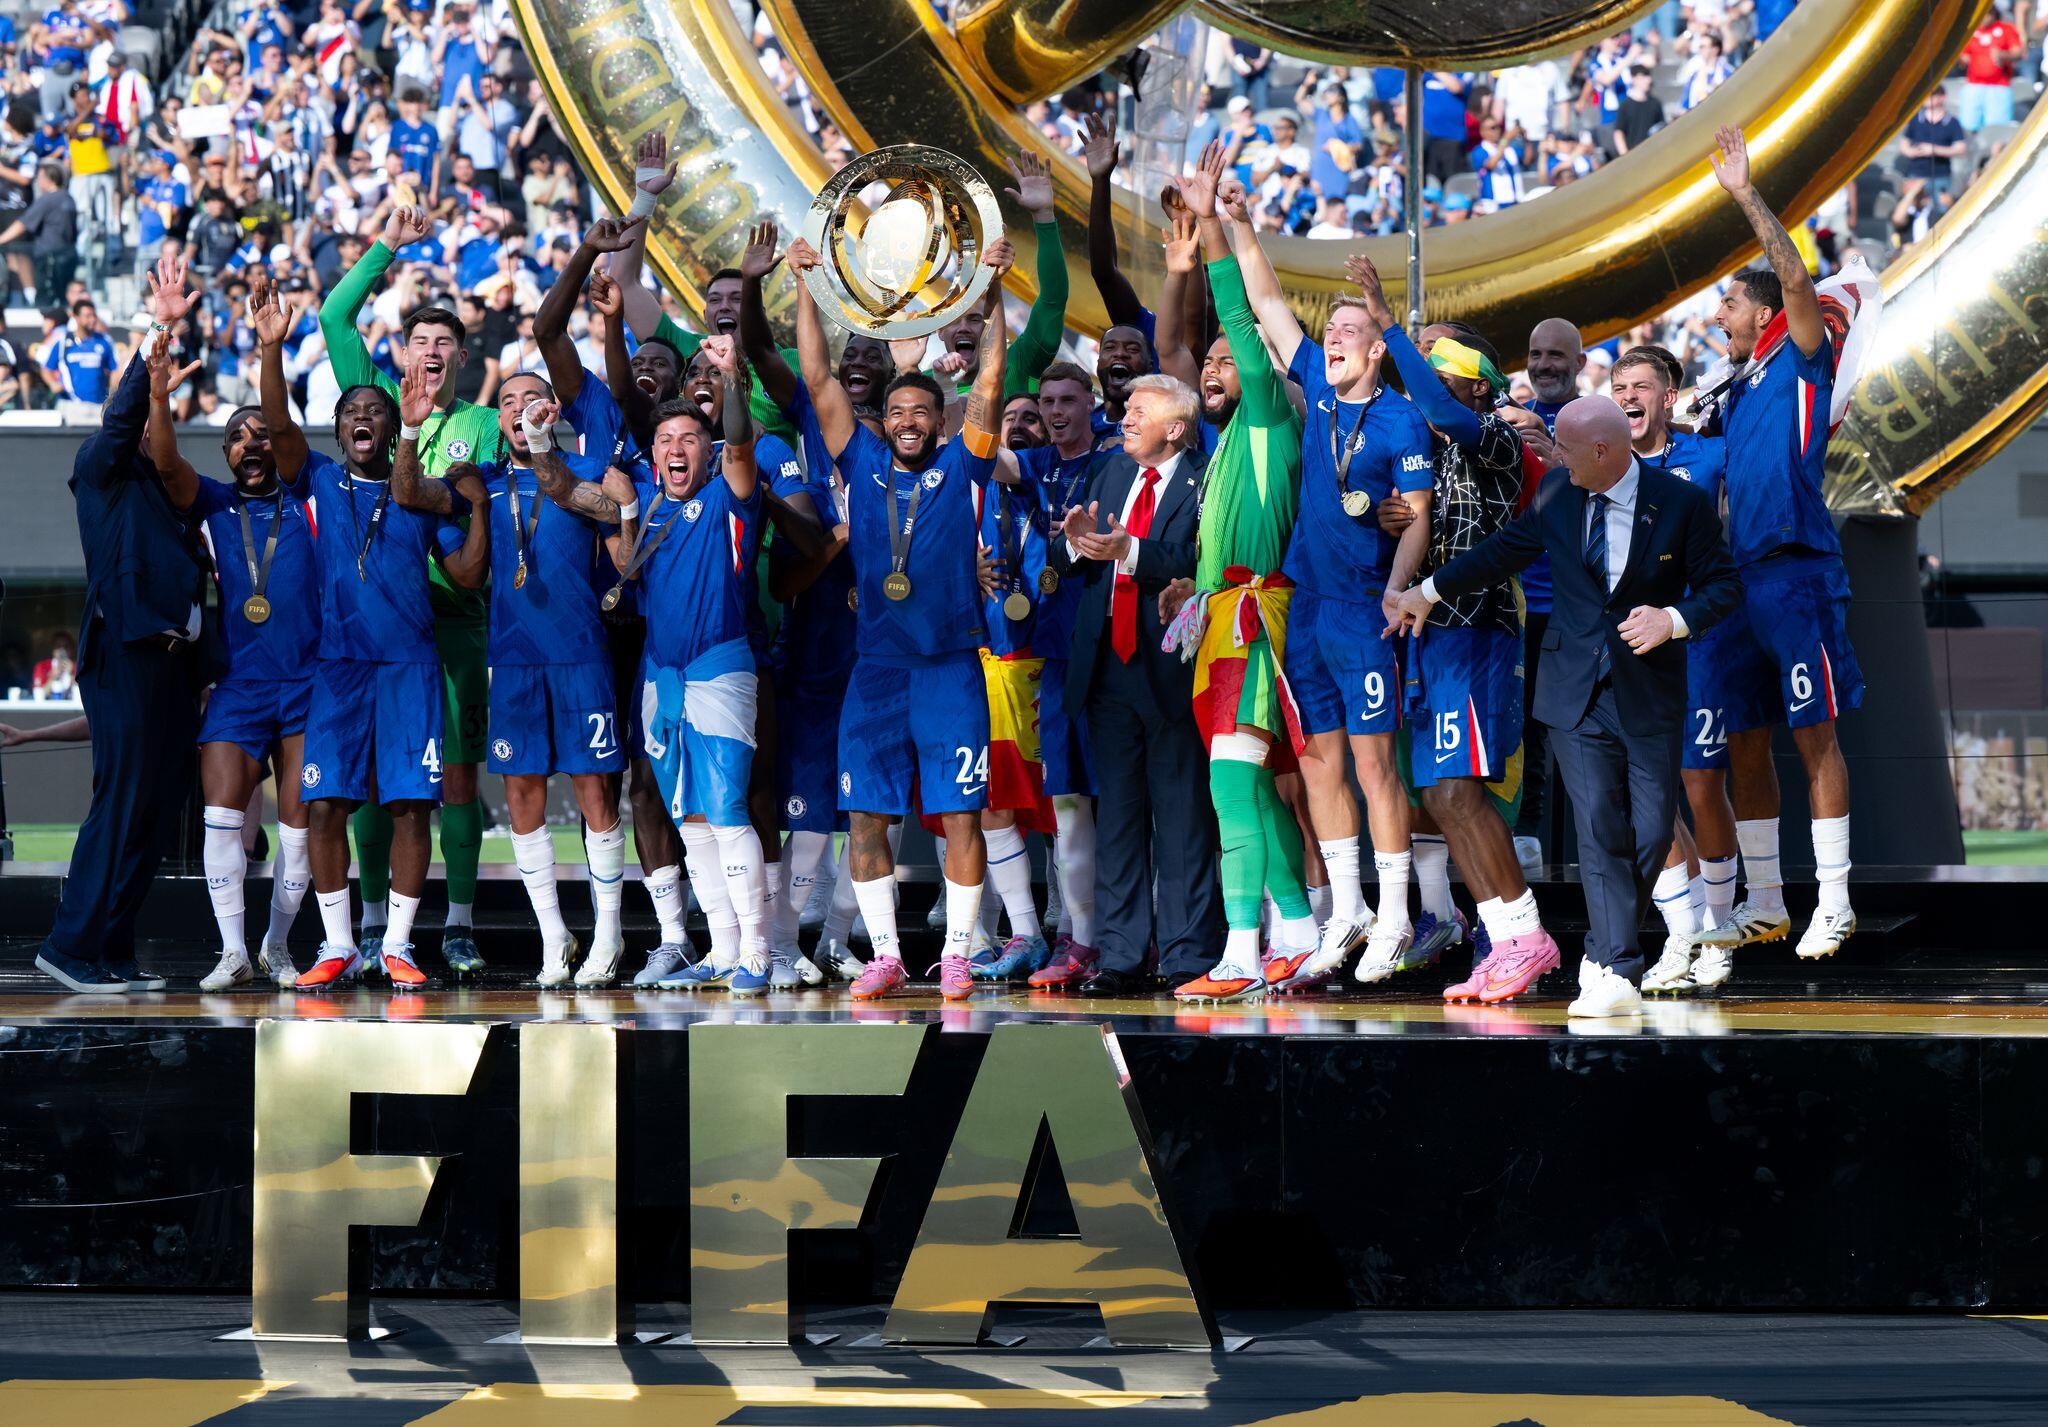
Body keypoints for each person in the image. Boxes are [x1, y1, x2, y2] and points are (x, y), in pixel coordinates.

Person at [1390, 396, 1740, 1017]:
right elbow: (1500, 552)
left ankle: (1605, 954)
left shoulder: (1680, 502)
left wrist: (1673, 618)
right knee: (1599, 826)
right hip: (1573, 690)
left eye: (1568, 451)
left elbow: (1724, 587)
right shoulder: (1557, 493)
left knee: (1652, 830)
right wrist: (1428, 590)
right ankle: (1615, 967)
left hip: (1649, 688)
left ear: (1603, 451)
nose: (1557, 460)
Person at [1186, 153, 1434, 996]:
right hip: (1308, 609)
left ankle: (1395, 915)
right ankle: (1347, 910)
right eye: (1329, 332)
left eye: (1349, 332)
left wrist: (1399, 586)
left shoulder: (1400, 421)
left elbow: (1416, 515)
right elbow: (1263, 303)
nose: (1332, 338)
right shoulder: (1319, 398)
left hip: (1365, 607)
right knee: (1319, 762)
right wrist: (1238, 222)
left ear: (1377, 350)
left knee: (1374, 765)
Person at [784, 226, 1015, 1000]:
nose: (911, 420)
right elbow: (817, 376)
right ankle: (885, 954)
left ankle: (957, 954)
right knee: (866, 818)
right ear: (882, 422)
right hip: (877, 670)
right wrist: (806, 285)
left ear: (939, 421)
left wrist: (992, 289)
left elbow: (991, 378)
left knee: (961, 817)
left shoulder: (964, 461)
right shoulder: (861, 458)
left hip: (950, 669)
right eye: (898, 411)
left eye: (922, 410)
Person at [1350, 255, 1564, 1005]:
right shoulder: (1426, 450)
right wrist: (1394, 519)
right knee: (1440, 798)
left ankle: (1525, 937)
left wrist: (1386, 323)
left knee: (1461, 791)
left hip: (1475, 629)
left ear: (1477, 384)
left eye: (1439, 363)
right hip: (1430, 635)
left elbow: (1444, 412)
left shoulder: (1495, 434)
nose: (1423, 376)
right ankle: (1505, 938)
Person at [1692, 126, 1865, 963]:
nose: (1715, 315)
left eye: (1728, 303)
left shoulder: (1801, 355)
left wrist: (1745, 195)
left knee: (1813, 734)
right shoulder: (1729, 391)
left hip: (1797, 571)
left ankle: (1834, 900)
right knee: (1745, 739)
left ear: (1763, 312)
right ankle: (1765, 903)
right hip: (1739, 581)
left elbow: (1795, 276)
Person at [318, 203, 500, 976]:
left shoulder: (484, 425)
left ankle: (456, 923)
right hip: (370, 629)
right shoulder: (375, 402)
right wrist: (386, 246)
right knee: (364, 782)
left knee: (450, 777)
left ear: (462, 355)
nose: (430, 351)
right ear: (403, 351)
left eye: (443, 342)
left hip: (449, 623)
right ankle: (367, 925)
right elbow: (333, 315)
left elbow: (480, 512)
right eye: (420, 340)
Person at [408, 373, 635, 987]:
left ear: (551, 409)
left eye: (529, 398)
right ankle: (554, 938)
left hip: (580, 655)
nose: (516, 409)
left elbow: (622, 541)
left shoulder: (583, 468)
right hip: (511, 659)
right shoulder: (479, 481)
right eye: (505, 401)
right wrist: (413, 433)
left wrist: (613, 504)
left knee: (596, 798)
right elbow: (429, 517)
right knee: (522, 799)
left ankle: (609, 936)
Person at [286, 360, 492, 989]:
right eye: (352, 412)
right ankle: (339, 945)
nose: (363, 418)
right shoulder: (320, 479)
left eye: (375, 410)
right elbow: (276, 423)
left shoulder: (423, 494)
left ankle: (398, 944)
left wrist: (479, 508)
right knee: (325, 804)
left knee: (410, 806)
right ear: (337, 431)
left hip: (409, 667)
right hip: (340, 668)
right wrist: (271, 350)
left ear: (395, 425)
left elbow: (467, 575)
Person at [35, 257, 209, 994]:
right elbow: (120, 417)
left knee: (157, 808)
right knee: (124, 797)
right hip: (126, 649)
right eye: (139, 415)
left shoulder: (170, 490)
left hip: (173, 664)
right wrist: (157, 332)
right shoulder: (99, 467)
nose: (145, 425)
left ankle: (111, 946)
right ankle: (70, 945)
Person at [150, 271, 315, 991]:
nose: (250, 444)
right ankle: (232, 950)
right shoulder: (214, 503)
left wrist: (269, 352)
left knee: (300, 830)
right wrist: (158, 396)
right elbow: (165, 463)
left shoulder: (308, 493)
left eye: (260, 434)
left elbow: (282, 426)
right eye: (235, 438)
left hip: (308, 683)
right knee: (222, 817)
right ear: (224, 455)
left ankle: (277, 946)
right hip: (240, 685)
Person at [1053, 372, 1221, 992]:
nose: (1124, 418)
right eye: (1126, 409)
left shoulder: (1207, 476)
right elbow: (1071, 556)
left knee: (1182, 820)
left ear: (1175, 428)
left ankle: (1186, 956)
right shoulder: (1111, 471)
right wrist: (1075, 544)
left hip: (1173, 669)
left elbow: (1202, 558)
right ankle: (1121, 957)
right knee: (1118, 822)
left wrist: (1130, 550)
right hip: (1106, 670)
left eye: (1139, 411)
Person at [1608, 344, 1744, 994]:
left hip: (1701, 640)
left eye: (1640, 386)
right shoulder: (1603, 464)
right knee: (1648, 797)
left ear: (1667, 397)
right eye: (1618, 387)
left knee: (1700, 784)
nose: (1627, 397)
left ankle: (1719, 930)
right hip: (1632, 648)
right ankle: (1683, 934)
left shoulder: (1710, 456)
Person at [1958, 5, 2024, 132]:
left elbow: (2018, 52)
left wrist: (2003, 55)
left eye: (1987, 14)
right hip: (1974, 85)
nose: (1983, 18)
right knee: (1968, 125)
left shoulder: (2006, 29)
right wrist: (1961, 58)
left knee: (1996, 129)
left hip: (1998, 86)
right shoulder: (1972, 31)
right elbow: (1964, 55)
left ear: (1993, 14)